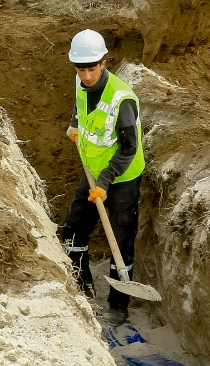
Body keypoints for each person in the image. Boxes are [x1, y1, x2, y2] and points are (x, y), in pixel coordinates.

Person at [58, 29, 145, 323]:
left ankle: (118, 308)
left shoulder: (122, 100)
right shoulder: (81, 82)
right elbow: (80, 105)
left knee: (121, 242)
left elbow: (128, 149)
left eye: (91, 68)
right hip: (93, 171)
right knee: (72, 229)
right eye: (80, 69)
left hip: (122, 179)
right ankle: (82, 288)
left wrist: (105, 183)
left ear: (104, 62)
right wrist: (74, 125)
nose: (86, 76)